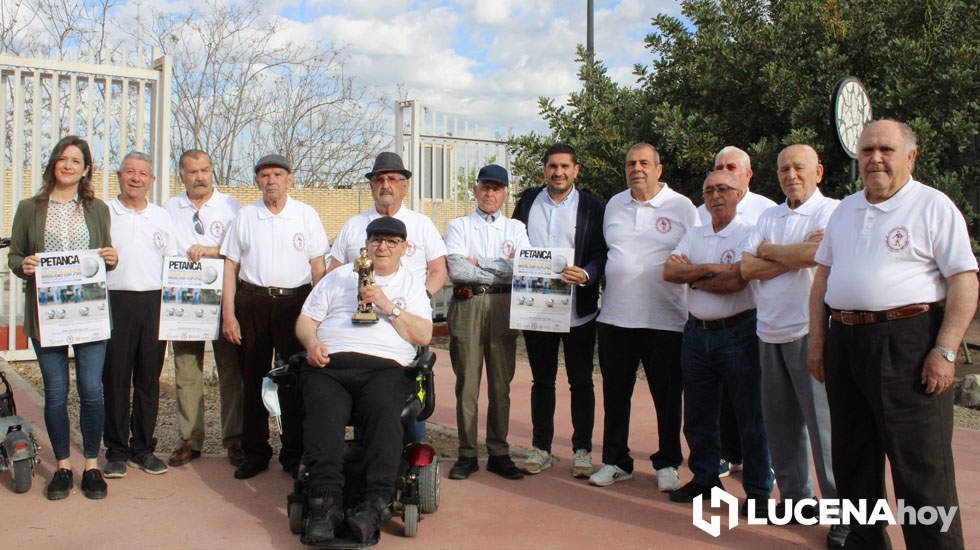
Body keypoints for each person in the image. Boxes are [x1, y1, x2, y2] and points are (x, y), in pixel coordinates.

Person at [808, 120, 977, 549]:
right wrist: (818, 340)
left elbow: (964, 281)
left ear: (911, 156)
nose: (875, 158)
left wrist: (945, 349)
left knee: (921, 470)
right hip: (845, 342)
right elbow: (821, 279)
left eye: (886, 149)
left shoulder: (933, 207)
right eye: (867, 151)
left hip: (908, 342)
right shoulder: (845, 210)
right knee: (853, 463)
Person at [296, 216, 432, 545]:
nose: (382, 246)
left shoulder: (411, 284)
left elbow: (424, 335)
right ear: (366, 245)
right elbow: (305, 320)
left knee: (386, 416)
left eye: (391, 241)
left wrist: (389, 306)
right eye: (376, 240)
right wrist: (312, 344)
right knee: (322, 417)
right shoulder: (339, 277)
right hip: (332, 363)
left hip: (385, 367)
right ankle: (324, 505)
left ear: (404, 248)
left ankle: (373, 505)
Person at [739, 144, 848, 546]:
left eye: (799, 168)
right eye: (784, 169)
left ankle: (843, 514)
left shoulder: (832, 211)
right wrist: (798, 253)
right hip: (768, 331)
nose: (791, 175)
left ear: (818, 171)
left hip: (810, 331)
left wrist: (770, 250)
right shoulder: (769, 214)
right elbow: (746, 266)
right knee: (781, 426)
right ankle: (797, 498)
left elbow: (822, 256)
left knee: (825, 431)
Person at [8, 135, 118, 500]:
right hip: (47, 314)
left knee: (91, 389)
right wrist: (22, 265)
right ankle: (62, 468)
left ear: (87, 169)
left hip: (89, 313)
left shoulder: (97, 209)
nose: (68, 165)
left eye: (76, 160)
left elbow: (104, 260)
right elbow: (16, 256)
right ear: (53, 164)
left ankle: (89, 466)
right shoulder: (29, 207)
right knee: (55, 393)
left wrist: (112, 260)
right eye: (62, 159)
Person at [663, 170, 773, 516]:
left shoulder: (749, 234)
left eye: (723, 189)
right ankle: (705, 479)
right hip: (696, 333)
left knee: (749, 416)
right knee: (697, 414)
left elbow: (736, 282)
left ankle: (757, 491)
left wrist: (693, 275)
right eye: (709, 190)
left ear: (739, 193)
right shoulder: (693, 233)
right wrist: (709, 270)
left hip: (738, 332)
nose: (715, 196)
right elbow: (669, 272)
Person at [591, 143, 698, 489]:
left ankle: (667, 463)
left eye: (643, 163)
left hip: (666, 320)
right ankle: (615, 460)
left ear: (659, 169)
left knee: (667, 398)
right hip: (615, 319)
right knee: (615, 396)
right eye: (630, 163)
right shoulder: (614, 204)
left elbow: (692, 255)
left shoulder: (682, 206)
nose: (636, 168)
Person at [221, 154, 329, 480]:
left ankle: (293, 453)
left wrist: (319, 315)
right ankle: (255, 452)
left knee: (294, 381)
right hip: (251, 300)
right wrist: (229, 315)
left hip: (294, 304)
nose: (271, 180)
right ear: (257, 180)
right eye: (265, 175)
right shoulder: (245, 216)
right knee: (252, 380)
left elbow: (318, 269)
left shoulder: (306, 215)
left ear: (289, 179)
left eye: (277, 174)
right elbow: (230, 267)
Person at [328, 152, 447, 442]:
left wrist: (417, 299)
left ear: (405, 185)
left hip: (407, 323)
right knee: (366, 391)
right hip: (360, 326)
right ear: (371, 185)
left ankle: (413, 452)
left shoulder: (421, 224)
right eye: (379, 179)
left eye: (393, 179)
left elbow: (438, 270)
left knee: (411, 388)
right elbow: (332, 272)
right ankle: (365, 450)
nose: (386, 184)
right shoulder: (354, 226)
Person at [512, 143, 606, 478]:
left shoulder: (591, 205)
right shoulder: (527, 201)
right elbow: (514, 242)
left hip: (578, 311)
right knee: (542, 382)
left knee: (581, 382)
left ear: (576, 170)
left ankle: (582, 450)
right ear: (544, 170)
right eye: (553, 166)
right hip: (537, 310)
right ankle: (541, 448)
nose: (558, 172)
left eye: (565, 166)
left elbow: (600, 252)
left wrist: (587, 274)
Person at [445, 164, 530, 481]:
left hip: (504, 305)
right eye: (485, 187)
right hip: (469, 302)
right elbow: (456, 269)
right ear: (476, 189)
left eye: (496, 188)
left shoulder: (516, 228)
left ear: (506, 193)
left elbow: (521, 268)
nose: (490, 193)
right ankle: (467, 452)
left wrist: (479, 261)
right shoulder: (459, 225)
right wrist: (499, 267)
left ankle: (499, 451)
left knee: (500, 384)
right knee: (466, 384)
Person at [697, 145, 776, 477]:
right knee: (712, 404)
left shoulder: (767, 211)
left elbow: (749, 271)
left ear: (748, 175)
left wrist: (701, 276)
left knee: (751, 405)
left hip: (748, 319)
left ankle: (761, 476)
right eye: (719, 167)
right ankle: (723, 458)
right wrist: (712, 274)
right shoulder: (700, 211)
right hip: (702, 325)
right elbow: (676, 267)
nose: (724, 172)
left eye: (732, 167)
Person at [163, 149, 244, 467]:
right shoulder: (170, 208)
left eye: (205, 170)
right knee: (186, 371)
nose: (200, 177)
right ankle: (189, 439)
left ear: (213, 172)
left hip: (223, 300)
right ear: (181, 174)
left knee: (231, 372)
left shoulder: (231, 206)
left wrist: (212, 250)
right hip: (184, 301)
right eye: (193, 171)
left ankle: (234, 439)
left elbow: (238, 251)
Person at [102, 151, 179, 478]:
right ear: (119, 175)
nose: (136, 178)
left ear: (152, 180)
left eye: (142, 173)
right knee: (116, 378)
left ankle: (143, 448)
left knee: (148, 378)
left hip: (153, 302)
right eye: (130, 172)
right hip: (114, 300)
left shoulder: (161, 216)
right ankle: (116, 450)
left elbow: (172, 259)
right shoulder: (104, 212)